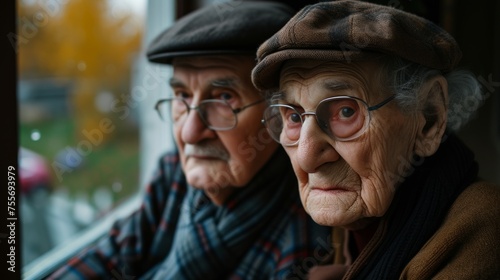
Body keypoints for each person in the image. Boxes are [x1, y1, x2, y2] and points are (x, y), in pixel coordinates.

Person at [46, 1, 332, 279]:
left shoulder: (306, 239)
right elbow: (112, 255)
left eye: (224, 99)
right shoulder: (173, 173)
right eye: (182, 96)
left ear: (283, 114)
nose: (189, 132)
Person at [252, 0, 500, 279]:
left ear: (428, 119)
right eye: (294, 117)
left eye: (346, 112)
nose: (306, 156)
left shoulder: (485, 227)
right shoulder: (351, 224)